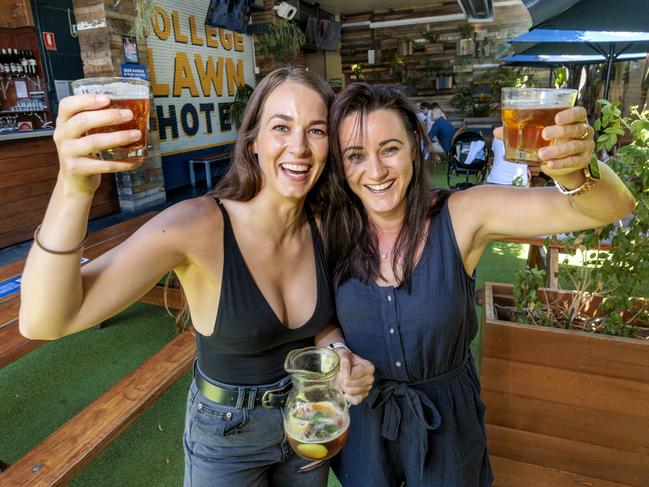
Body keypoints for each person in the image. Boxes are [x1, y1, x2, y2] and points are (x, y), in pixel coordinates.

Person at [18, 67, 374, 487]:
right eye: (281, 126)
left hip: (307, 422)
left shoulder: (325, 224)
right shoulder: (196, 225)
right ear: (253, 141)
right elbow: (44, 320)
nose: (298, 146)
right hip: (226, 436)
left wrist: (339, 351)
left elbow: (320, 324)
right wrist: (74, 186)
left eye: (316, 131)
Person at [323, 83, 635, 486]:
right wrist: (338, 351)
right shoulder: (331, 229)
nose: (376, 171)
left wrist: (576, 169)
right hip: (366, 433)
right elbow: (316, 319)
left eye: (389, 149)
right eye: (355, 155)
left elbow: (613, 206)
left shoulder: (464, 213)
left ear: (416, 148)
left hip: (448, 432)